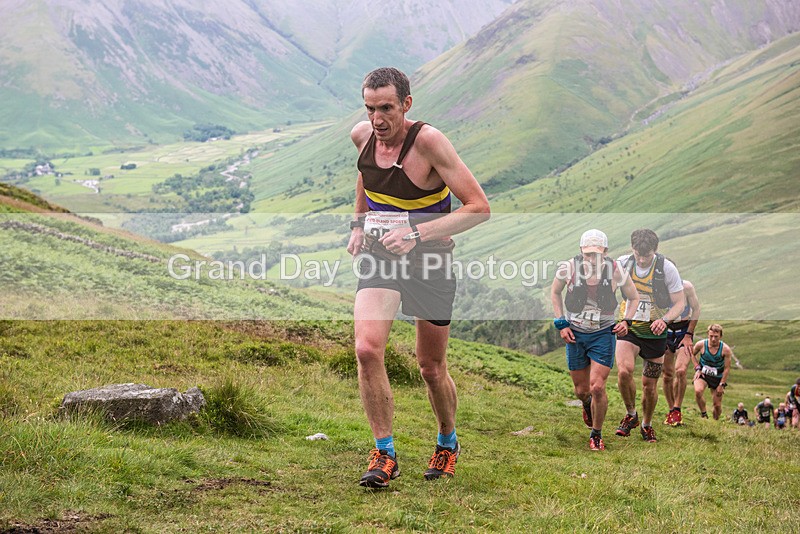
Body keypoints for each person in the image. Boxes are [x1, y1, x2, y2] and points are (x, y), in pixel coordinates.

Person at [346, 67, 490, 488]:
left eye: (386, 108)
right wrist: (358, 225)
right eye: (371, 108)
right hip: (380, 256)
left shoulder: (428, 142)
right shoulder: (362, 136)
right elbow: (365, 175)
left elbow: (478, 207)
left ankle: (447, 441)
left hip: (431, 262)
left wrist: (415, 233)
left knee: (430, 367)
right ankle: (384, 454)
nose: (377, 119)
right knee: (367, 349)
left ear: (406, 105)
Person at [551, 229, 640, 451]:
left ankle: (596, 434)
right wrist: (561, 323)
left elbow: (634, 296)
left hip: (603, 333)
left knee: (597, 387)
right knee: (582, 390)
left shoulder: (616, 271)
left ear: (606, 252)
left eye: (597, 254)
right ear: (581, 251)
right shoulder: (568, 268)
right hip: (576, 333)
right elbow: (555, 293)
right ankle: (587, 404)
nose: (592, 258)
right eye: (588, 254)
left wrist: (626, 321)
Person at [615, 229, 686, 442]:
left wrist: (664, 321)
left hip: (655, 333)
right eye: (638, 255)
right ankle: (631, 415)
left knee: (649, 385)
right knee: (624, 372)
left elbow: (680, 303)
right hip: (630, 328)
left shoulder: (666, 268)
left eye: (647, 255)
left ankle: (646, 424)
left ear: (655, 250)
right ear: (632, 249)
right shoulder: (623, 264)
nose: (643, 259)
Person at [661, 278, 701, 426]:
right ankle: (671, 410)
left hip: (683, 330)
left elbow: (696, 309)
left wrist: (689, 335)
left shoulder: (687, 287)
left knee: (681, 370)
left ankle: (677, 409)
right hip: (665, 330)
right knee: (667, 375)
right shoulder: (658, 287)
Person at [691, 324, 732, 420]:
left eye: (716, 337)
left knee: (717, 405)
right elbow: (692, 354)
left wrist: (722, 384)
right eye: (711, 336)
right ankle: (704, 414)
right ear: (707, 335)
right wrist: (697, 368)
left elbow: (727, 368)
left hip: (718, 378)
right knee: (698, 391)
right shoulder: (701, 344)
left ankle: (715, 422)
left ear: (720, 336)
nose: (713, 339)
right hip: (703, 374)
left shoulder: (725, 349)